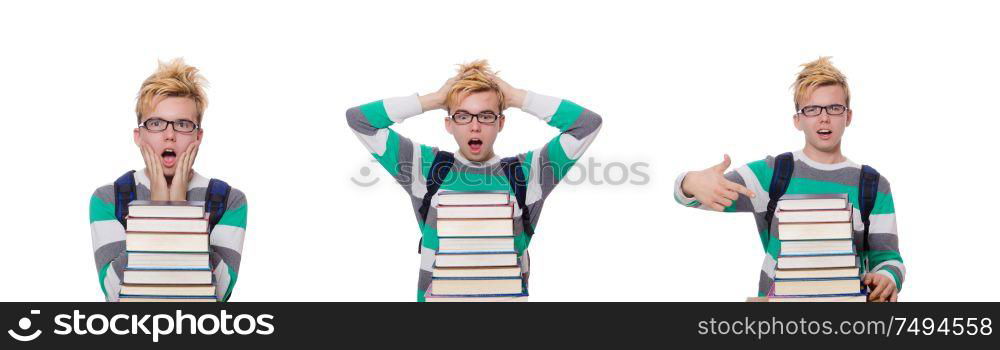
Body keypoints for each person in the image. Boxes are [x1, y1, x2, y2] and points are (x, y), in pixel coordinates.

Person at [346, 60, 603, 301]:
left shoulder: (529, 172)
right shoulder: (425, 167)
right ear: (449, 123)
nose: (475, 126)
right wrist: (433, 99)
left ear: (500, 122)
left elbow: (586, 125)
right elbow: (360, 120)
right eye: (463, 116)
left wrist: (516, 97)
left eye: (486, 116)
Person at [674, 57, 903, 301]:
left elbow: (889, 260)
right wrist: (690, 182)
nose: (824, 118)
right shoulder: (771, 174)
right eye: (812, 109)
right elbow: (691, 195)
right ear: (798, 120)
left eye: (834, 108)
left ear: (848, 116)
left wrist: (887, 278)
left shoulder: (874, 185)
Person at [88, 58, 248, 301]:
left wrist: (180, 210)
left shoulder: (229, 201)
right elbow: (115, 292)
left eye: (183, 124)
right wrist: (158, 208)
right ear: (139, 136)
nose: (170, 135)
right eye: (156, 124)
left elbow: (218, 293)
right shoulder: (108, 199)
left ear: (198, 136)